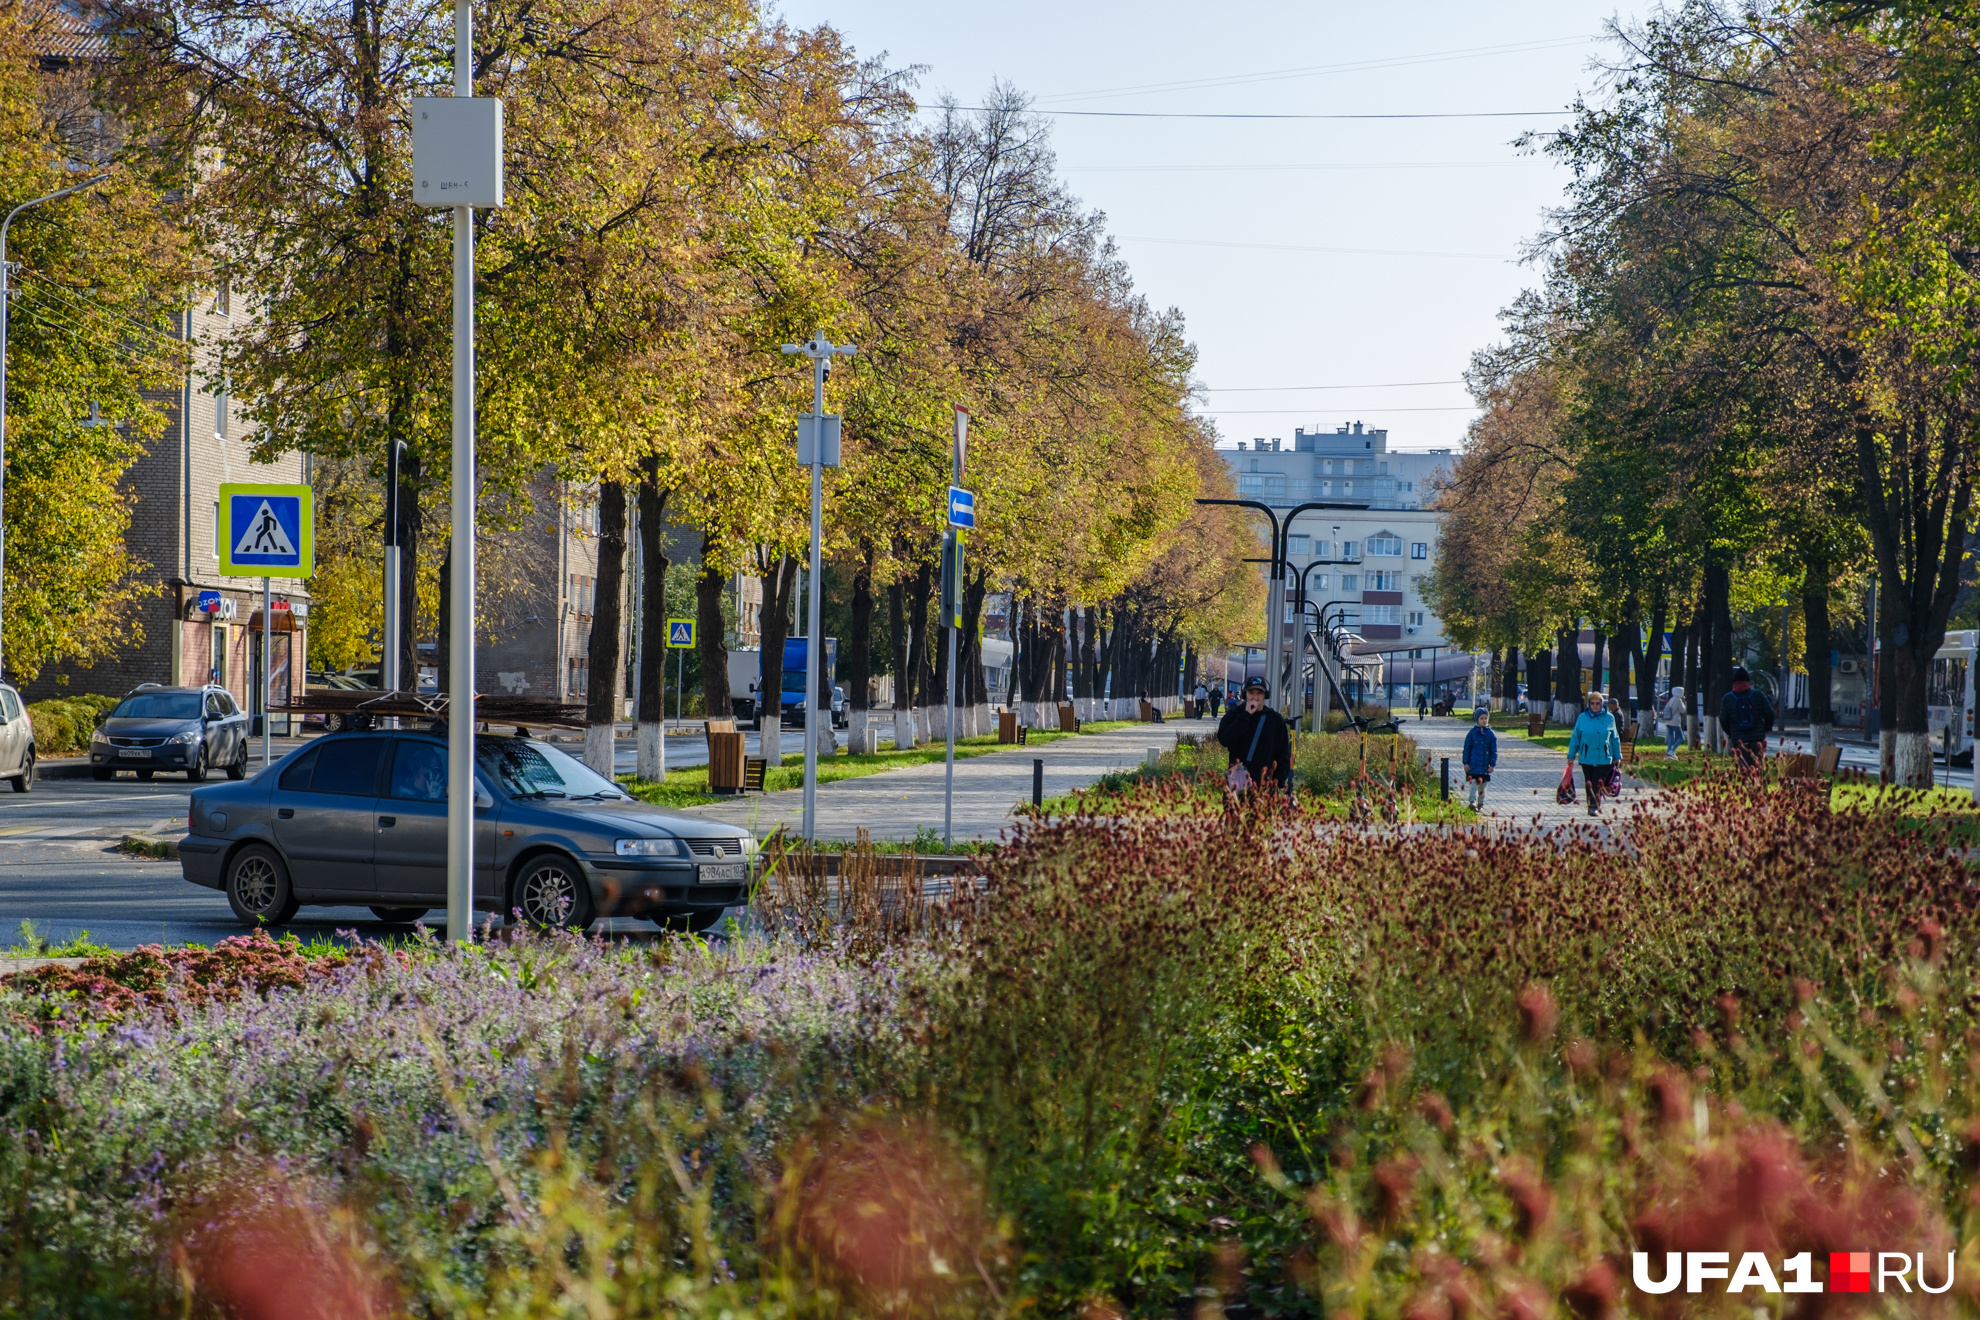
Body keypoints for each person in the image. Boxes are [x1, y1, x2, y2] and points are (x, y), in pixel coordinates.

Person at [1217, 678, 1293, 796]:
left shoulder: (1275, 720)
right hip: (1238, 784)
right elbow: (1224, 739)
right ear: (1245, 695)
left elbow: (1283, 753)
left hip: (1266, 786)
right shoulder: (1234, 715)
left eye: (1259, 693)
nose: (1255, 697)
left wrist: (1278, 782)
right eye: (1251, 693)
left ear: (1265, 696)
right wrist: (1245, 716)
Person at [1566, 690, 1621, 817]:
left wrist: (1617, 756)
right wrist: (1571, 754)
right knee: (1589, 782)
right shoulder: (1582, 718)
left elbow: (1615, 738)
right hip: (1587, 756)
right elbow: (1575, 737)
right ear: (1589, 704)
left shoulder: (1609, 718)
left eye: (1598, 703)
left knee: (1598, 782)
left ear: (1602, 704)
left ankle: (1594, 807)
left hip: (1603, 757)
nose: (1595, 706)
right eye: (1592, 703)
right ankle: (1590, 804)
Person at [1719, 666, 1775, 768]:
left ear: (1734, 681)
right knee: (1758, 770)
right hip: (1757, 740)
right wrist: (1766, 728)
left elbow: (1723, 719)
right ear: (1748, 681)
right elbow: (1770, 713)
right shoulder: (1758, 695)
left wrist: (1731, 733)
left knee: (1743, 770)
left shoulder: (1727, 698)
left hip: (1739, 741)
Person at [1462, 706, 1498, 810]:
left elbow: (1493, 751)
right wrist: (1465, 762)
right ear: (1477, 719)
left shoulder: (1491, 735)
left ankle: (1481, 803)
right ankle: (1472, 801)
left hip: (1484, 766)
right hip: (1473, 765)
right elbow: (1466, 748)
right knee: (1473, 784)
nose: (1484, 720)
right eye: (1481, 718)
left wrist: (1492, 764)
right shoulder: (1472, 733)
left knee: (1483, 786)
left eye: (1486, 718)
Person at [1659, 686, 1687, 759]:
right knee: (1681, 737)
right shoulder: (1678, 700)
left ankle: (1668, 753)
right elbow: (1683, 710)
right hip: (1675, 722)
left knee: (1671, 738)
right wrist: (1683, 702)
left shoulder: (1671, 699)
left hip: (1668, 721)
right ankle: (1672, 751)